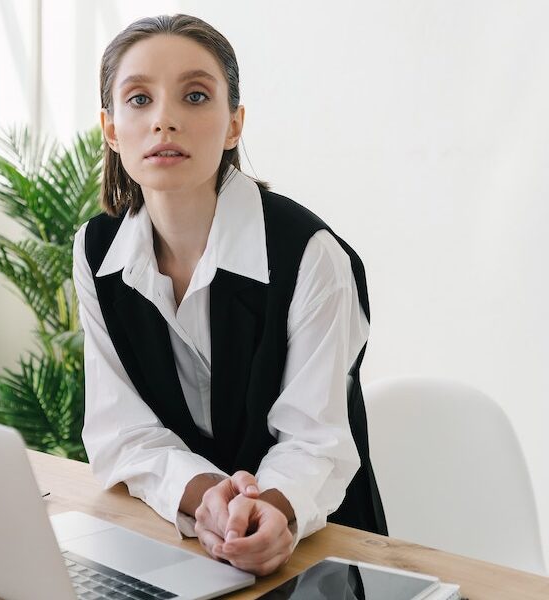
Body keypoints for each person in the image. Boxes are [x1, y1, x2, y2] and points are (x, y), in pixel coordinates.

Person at [72, 14, 387, 577]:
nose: (164, 119)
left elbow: (316, 443)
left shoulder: (310, 255)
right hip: (183, 542)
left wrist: (264, 513)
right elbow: (121, 430)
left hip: (319, 553)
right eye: (139, 99)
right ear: (112, 129)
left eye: (195, 96)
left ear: (234, 124)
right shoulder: (96, 254)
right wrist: (208, 497)